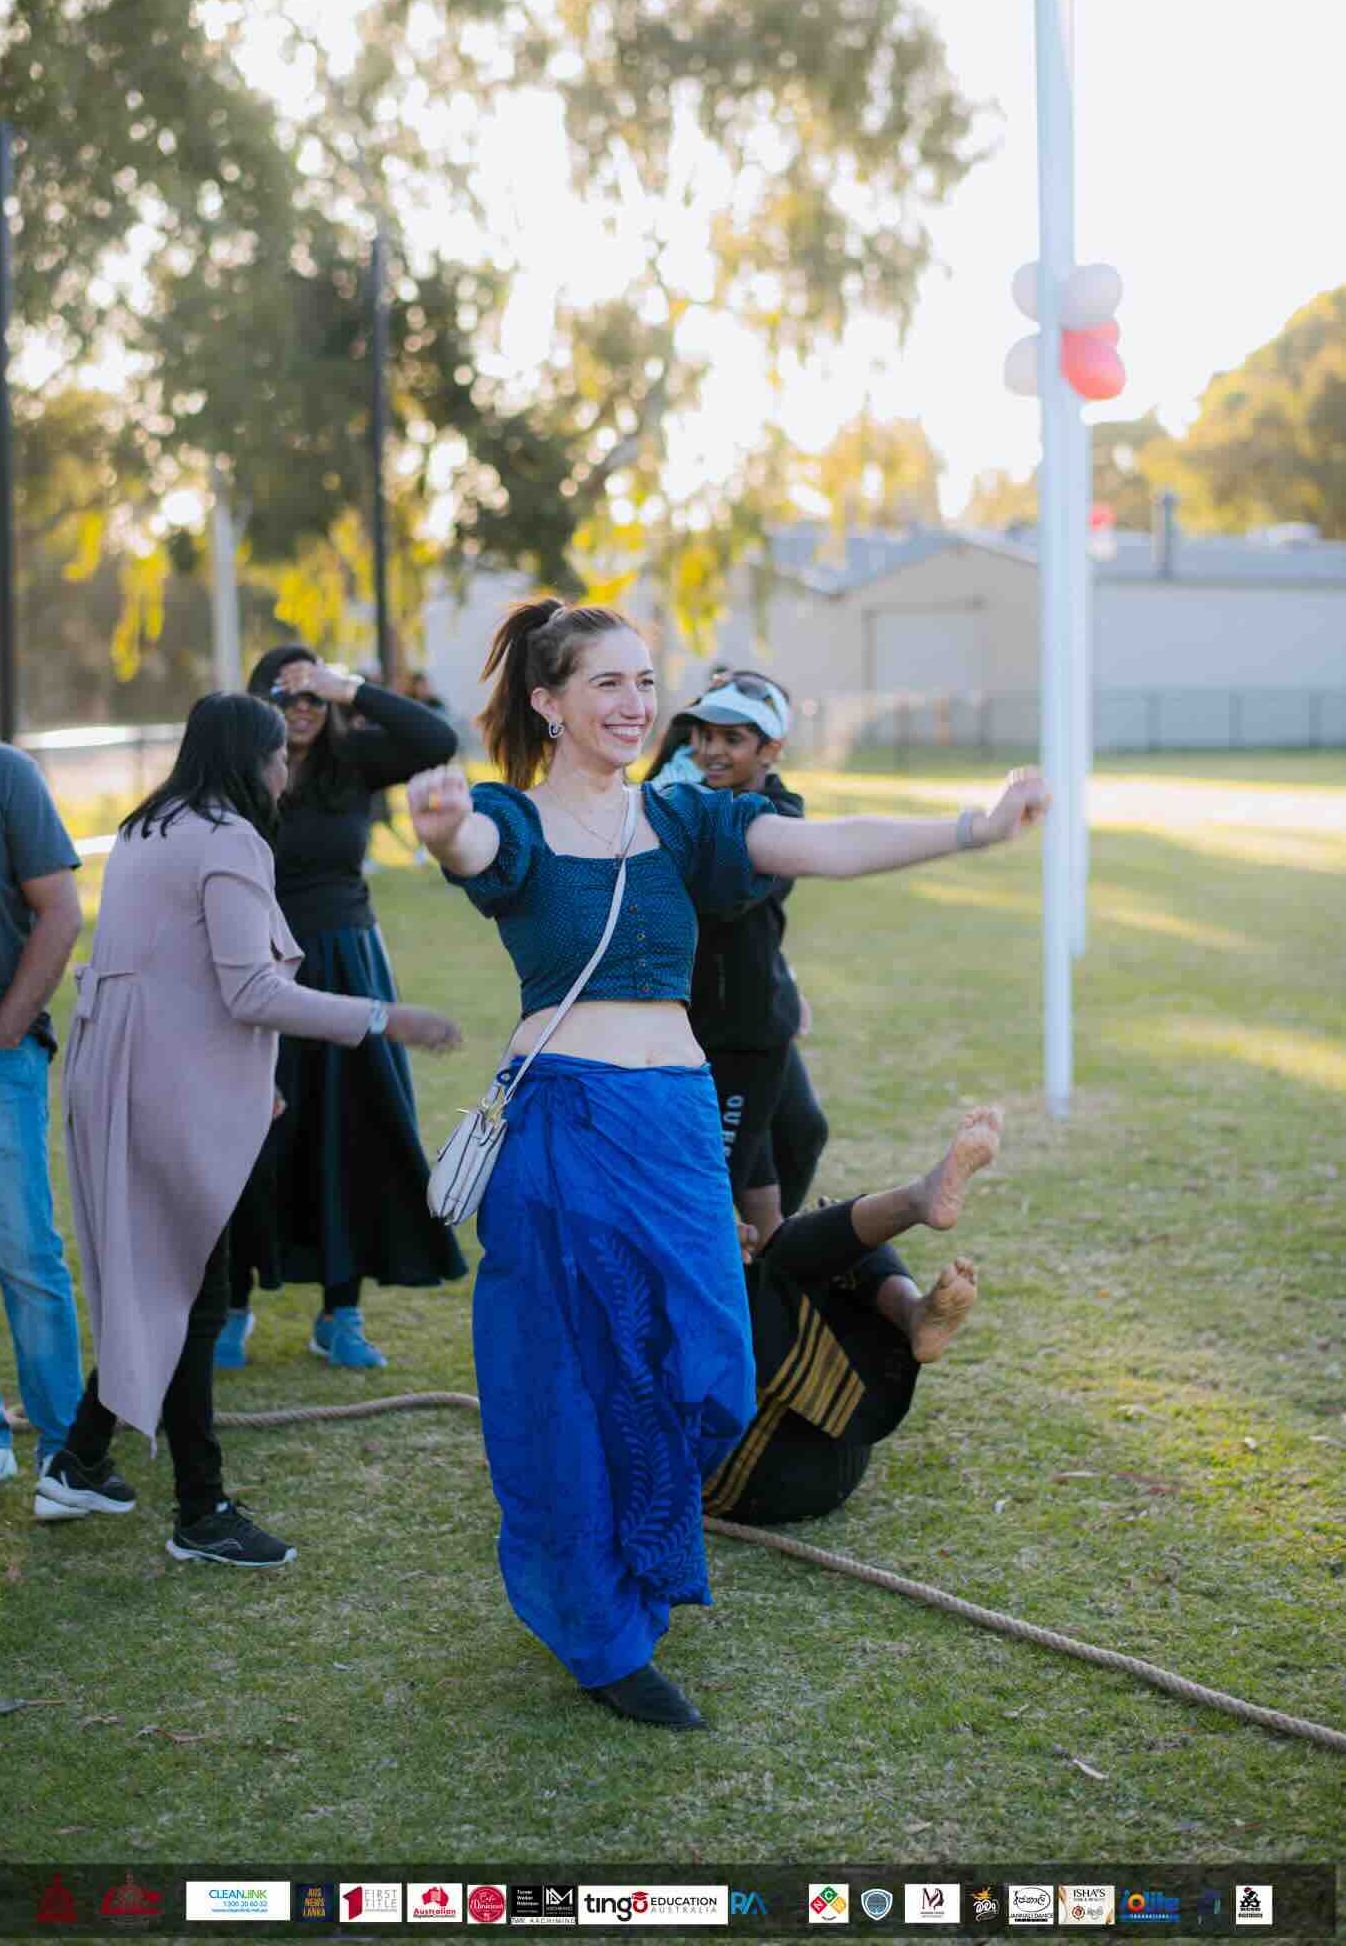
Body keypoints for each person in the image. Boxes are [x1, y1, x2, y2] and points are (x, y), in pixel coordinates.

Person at [407, 598, 1048, 1730]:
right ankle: (602, 1633)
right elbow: (477, 850)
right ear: (550, 702)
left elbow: (826, 842)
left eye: (645, 681)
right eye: (607, 683)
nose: (636, 703)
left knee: (709, 1359)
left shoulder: (682, 816)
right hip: (566, 1133)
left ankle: (633, 1549)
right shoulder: (515, 818)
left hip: (674, 1124)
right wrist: (444, 824)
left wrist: (975, 826)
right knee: (568, 1379)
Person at [40, 693, 460, 1566]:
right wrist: (388, 1016)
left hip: (116, 1072)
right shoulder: (228, 837)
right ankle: (201, 1510)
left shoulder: (147, 827)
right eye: (276, 755)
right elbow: (251, 992)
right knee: (192, 1289)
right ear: (247, 757)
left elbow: (172, 971)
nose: (284, 769)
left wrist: (255, 1079)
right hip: (163, 1084)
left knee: (164, 1274)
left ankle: (80, 1462)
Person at [215, 647, 463, 1374]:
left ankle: (340, 1312)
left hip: (348, 963)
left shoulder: (353, 762)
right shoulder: (239, 772)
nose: (302, 709)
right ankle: (233, 1305)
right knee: (252, 1136)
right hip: (258, 968)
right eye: (287, 695)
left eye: (313, 697)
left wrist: (347, 687)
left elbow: (435, 742)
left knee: (350, 1132)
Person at [704, 1107, 1001, 1526]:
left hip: (809, 1449)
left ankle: (916, 1311)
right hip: (750, 1472)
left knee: (819, 1238)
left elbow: (768, 1218)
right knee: (786, 1259)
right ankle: (918, 1211)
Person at [645, 669, 828, 1245]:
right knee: (741, 1176)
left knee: (787, 1143)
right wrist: (678, 755)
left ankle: (771, 1271)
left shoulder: (779, 814)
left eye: (732, 739)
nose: (710, 751)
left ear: (771, 750)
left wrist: (689, 809)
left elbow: (728, 898)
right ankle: (767, 1269)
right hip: (707, 1021)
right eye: (701, 735)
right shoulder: (679, 795)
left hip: (751, 1019)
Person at [0, 742, 85, 1489]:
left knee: (26, 1256)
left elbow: (60, 909)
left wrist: (5, 1033)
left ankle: (65, 1449)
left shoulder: (4, 774)